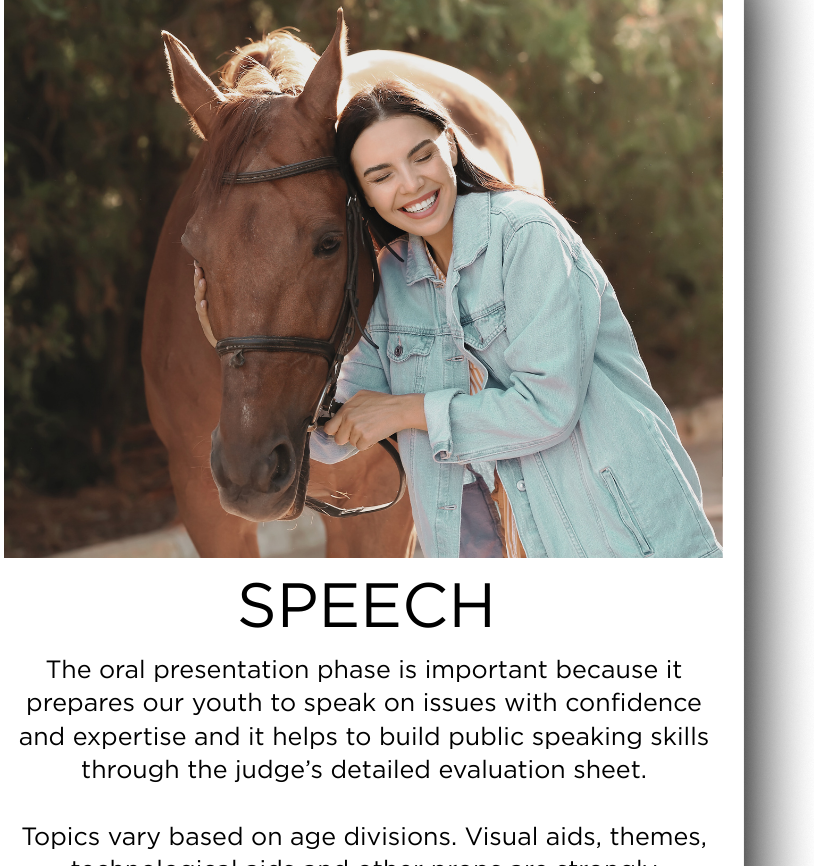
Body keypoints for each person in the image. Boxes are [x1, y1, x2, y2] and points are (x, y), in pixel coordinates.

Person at [196, 80, 722, 559]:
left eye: (420, 156)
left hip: (613, 545)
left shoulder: (526, 235)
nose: (410, 185)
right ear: (363, 194)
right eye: (381, 176)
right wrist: (252, 384)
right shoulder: (393, 281)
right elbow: (340, 430)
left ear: (449, 145)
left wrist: (407, 411)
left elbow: (549, 408)